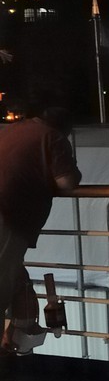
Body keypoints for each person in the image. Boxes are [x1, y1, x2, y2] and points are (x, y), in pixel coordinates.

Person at [0, 108, 81, 359]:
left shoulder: (11, 130)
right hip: (9, 216)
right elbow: (66, 181)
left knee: (11, 281)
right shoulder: (52, 138)